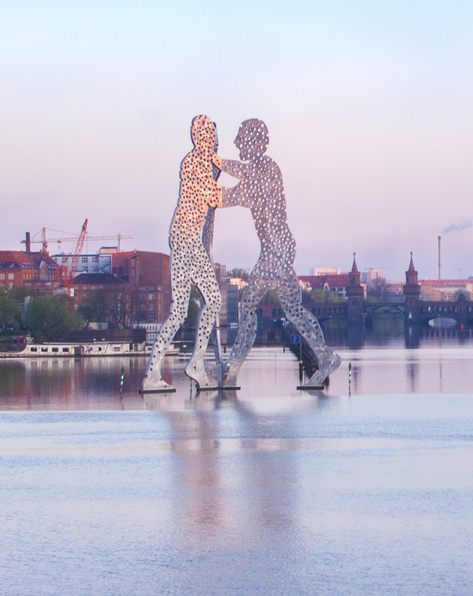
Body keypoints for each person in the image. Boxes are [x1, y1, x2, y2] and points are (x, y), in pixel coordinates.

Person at [214, 118, 340, 388]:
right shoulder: (257, 172)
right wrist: (215, 171)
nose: (237, 142)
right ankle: (325, 356)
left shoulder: (266, 169)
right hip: (277, 248)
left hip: (277, 249)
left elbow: (228, 194)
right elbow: (231, 191)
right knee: (293, 310)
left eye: (241, 138)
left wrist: (213, 164)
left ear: (257, 142)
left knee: (247, 305)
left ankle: (232, 371)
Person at [141, 115, 233, 391]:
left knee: (179, 311)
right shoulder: (195, 163)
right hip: (188, 240)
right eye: (212, 137)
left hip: (180, 239)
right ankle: (195, 362)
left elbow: (210, 206)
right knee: (214, 301)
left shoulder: (198, 163)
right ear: (202, 137)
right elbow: (215, 197)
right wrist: (246, 192)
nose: (215, 142)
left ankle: (152, 374)